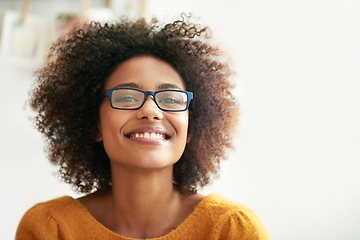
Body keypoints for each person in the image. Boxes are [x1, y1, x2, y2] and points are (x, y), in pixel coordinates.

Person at [15, 14, 269, 239]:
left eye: (171, 99)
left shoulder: (232, 230)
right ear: (94, 125)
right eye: (127, 96)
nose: (151, 111)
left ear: (191, 127)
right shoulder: (50, 230)